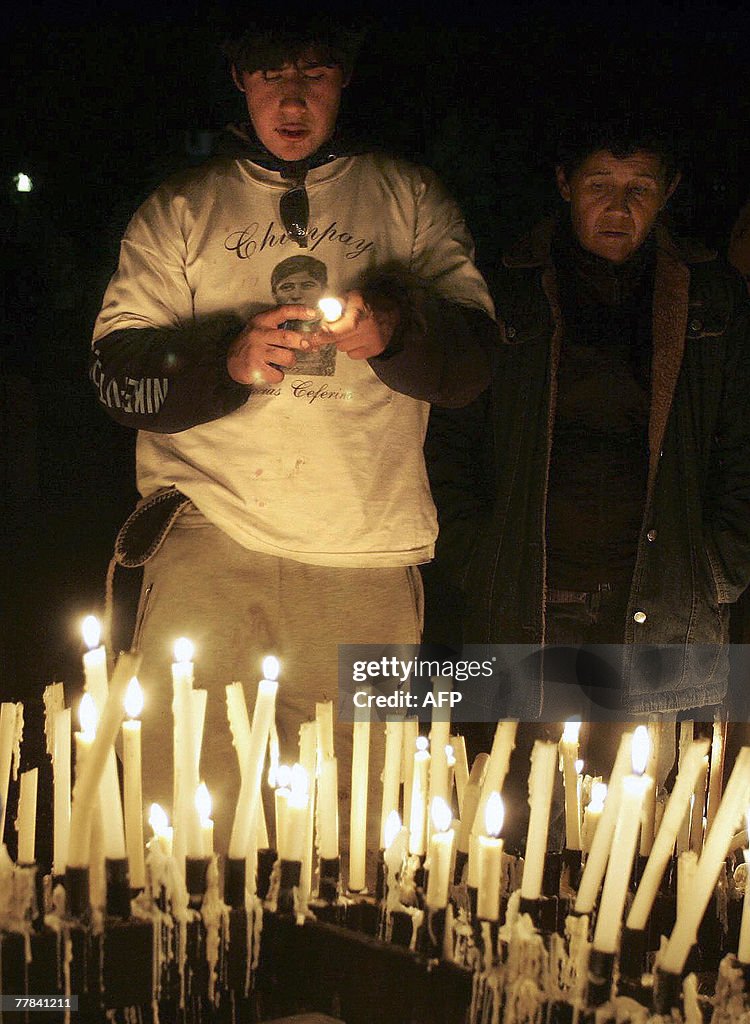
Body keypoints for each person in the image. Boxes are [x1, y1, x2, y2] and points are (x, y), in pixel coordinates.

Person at [90, 18, 496, 863]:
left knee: (356, 832)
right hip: (209, 544)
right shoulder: (181, 210)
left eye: (315, 71)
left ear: (345, 79)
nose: (294, 96)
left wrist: (395, 331)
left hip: (367, 560)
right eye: (272, 73)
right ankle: (190, 982)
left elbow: (475, 362)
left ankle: (336, 986)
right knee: (182, 817)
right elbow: (114, 372)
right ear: (239, 80)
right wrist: (225, 357)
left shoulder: (409, 201)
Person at [425, 122, 750, 725]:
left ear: (668, 192)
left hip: (668, 603)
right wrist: (477, 556)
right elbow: (450, 440)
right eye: (600, 184)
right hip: (526, 599)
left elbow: (741, 447)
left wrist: (718, 568)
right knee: (515, 795)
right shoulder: (507, 291)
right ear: (565, 184)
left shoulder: (712, 301)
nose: (619, 208)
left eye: (640, 188)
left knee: (651, 805)